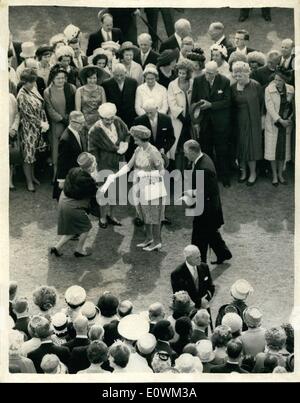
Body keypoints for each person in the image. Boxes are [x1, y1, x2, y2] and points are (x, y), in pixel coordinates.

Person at [101, 125, 165, 251]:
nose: (134, 141)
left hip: (153, 187)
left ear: (141, 139)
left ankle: (157, 242)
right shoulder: (138, 149)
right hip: (140, 187)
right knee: (144, 214)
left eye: (135, 139)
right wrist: (115, 175)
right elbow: (128, 166)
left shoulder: (153, 152)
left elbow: (162, 171)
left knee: (154, 215)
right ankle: (149, 238)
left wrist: (146, 174)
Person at [183, 140, 232, 263]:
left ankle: (199, 263)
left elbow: (202, 193)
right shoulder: (204, 157)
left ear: (192, 152)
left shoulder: (202, 169)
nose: (185, 155)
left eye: (186, 152)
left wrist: (189, 195)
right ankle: (223, 253)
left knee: (199, 238)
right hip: (210, 206)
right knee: (211, 233)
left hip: (205, 209)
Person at [89, 102, 130, 228]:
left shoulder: (117, 120)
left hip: (119, 162)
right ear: (100, 118)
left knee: (117, 191)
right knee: (104, 192)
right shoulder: (94, 130)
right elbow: (92, 151)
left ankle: (112, 215)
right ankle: (102, 217)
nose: (110, 121)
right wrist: (95, 169)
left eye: (112, 118)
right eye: (107, 119)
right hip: (104, 164)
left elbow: (127, 134)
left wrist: (125, 145)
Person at [191, 61, 231, 187]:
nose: (208, 76)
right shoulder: (198, 80)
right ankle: (208, 179)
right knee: (206, 151)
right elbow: (194, 102)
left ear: (217, 72)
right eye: (206, 73)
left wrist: (211, 105)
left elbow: (227, 102)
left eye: (211, 74)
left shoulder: (225, 81)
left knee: (222, 150)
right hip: (204, 123)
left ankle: (224, 177)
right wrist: (196, 122)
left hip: (220, 123)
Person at [50, 152, 98, 257]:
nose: (95, 165)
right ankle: (79, 250)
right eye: (94, 163)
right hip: (72, 207)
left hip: (64, 202)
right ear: (90, 167)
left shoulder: (73, 171)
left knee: (74, 229)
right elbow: (94, 194)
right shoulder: (88, 180)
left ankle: (56, 247)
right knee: (86, 227)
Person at [231, 62, 264, 185]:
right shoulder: (233, 88)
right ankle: (243, 172)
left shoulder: (256, 86)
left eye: (240, 75)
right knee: (240, 147)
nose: (238, 78)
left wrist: (262, 120)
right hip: (238, 122)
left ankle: (253, 173)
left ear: (247, 74)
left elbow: (262, 104)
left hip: (253, 122)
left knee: (252, 148)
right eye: (236, 75)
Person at [17, 68, 49, 192]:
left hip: (37, 128)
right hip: (28, 129)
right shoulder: (21, 95)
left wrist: (43, 122)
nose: (33, 84)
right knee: (28, 156)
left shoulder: (33, 90)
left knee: (33, 154)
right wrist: (41, 123)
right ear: (24, 82)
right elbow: (27, 115)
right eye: (30, 82)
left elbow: (41, 106)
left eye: (33, 82)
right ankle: (29, 181)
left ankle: (33, 176)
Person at [44, 65, 76, 183]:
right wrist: (62, 120)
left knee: (70, 150)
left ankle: (70, 176)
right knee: (57, 151)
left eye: (63, 78)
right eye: (58, 78)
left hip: (71, 122)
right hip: (57, 124)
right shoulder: (48, 92)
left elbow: (75, 105)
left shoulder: (71, 88)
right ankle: (56, 176)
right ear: (52, 78)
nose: (61, 80)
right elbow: (50, 109)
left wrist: (71, 119)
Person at [264, 68, 294, 185]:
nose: (277, 82)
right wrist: (279, 120)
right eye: (275, 79)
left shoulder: (291, 89)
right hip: (273, 124)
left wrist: (289, 119)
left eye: (280, 80)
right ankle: (274, 176)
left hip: (285, 125)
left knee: (282, 151)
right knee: (273, 151)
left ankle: (281, 174)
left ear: (285, 81)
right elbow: (269, 107)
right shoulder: (269, 89)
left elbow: (293, 106)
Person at [171, 245, 215, 313]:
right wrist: (199, 302)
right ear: (188, 258)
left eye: (200, 256)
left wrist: (206, 299)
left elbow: (211, 287)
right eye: (197, 258)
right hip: (188, 311)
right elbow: (180, 297)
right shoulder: (177, 274)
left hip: (204, 308)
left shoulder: (204, 267)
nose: (200, 259)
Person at [167, 59, 193, 172]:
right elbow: (171, 103)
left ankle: (187, 170)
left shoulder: (193, 83)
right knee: (177, 147)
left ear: (188, 73)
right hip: (178, 120)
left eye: (184, 73)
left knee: (188, 146)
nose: (181, 75)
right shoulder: (172, 85)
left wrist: (191, 117)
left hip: (190, 120)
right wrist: (182, 118)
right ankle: (177, 172)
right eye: (179, 73)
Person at [55, 111, 87, 200]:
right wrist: (61, 180)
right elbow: (61, 161)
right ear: (72, 122)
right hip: (68, 175)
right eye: (80, 123)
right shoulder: (65, 139)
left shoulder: (77, 131)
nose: (83, 125)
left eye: (83, 122)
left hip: (75, 172)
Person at [102, 63, 138, 129]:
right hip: (114, 117)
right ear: (112, 74)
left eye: (121, 75)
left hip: (130, 117)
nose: (119, 78)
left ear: (125, 73)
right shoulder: (106, 84)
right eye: (116, 75)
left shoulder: (133, 83)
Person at [9, 92, 20, 191]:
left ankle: (10, 181)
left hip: (10, 133)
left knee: (10, 158)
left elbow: (17, 114)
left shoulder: (11, 97)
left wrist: (13, 128)